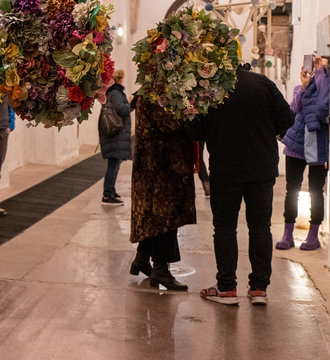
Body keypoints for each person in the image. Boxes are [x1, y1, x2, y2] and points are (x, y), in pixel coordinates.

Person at [185, 67, 295, 305]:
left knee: (225, 228)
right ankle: (258, 289)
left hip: (226, 168)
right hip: (262, 167)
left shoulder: (207, 88)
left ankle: (226, 288)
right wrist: (266, 131)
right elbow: (288, 117)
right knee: (260, 227)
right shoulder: (262, 83)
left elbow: (195, 132)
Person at [129, 97, 196, 290]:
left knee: (155, 216)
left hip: (156, 165)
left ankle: (142, 258)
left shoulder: (149, 92)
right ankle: (160, 268)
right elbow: (170, 124)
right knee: (165, 217)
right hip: (161, 166)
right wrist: (191, 110)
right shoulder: (155, 94)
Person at [276, 55, 329, 251]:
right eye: (314, 66)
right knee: (292, 190)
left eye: (320, 68)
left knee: (316, 192)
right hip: (296, 144)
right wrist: (305, 87)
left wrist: (323, 74)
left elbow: (322, 110)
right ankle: (287, 234)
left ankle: (313, 235)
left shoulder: (327, 91)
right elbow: (295, 107)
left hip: (318, 145)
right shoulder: (301, 88)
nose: (315, 70)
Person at [99, 69, 132, 205]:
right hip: (116, 134)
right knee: (113, 164)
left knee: (115, 164)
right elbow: (121, 109)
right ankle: (107, 195)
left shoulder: (111, 92)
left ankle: (110, 190)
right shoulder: (116, 93)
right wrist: (130, 103)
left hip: (114, 134)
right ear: (120, 79)